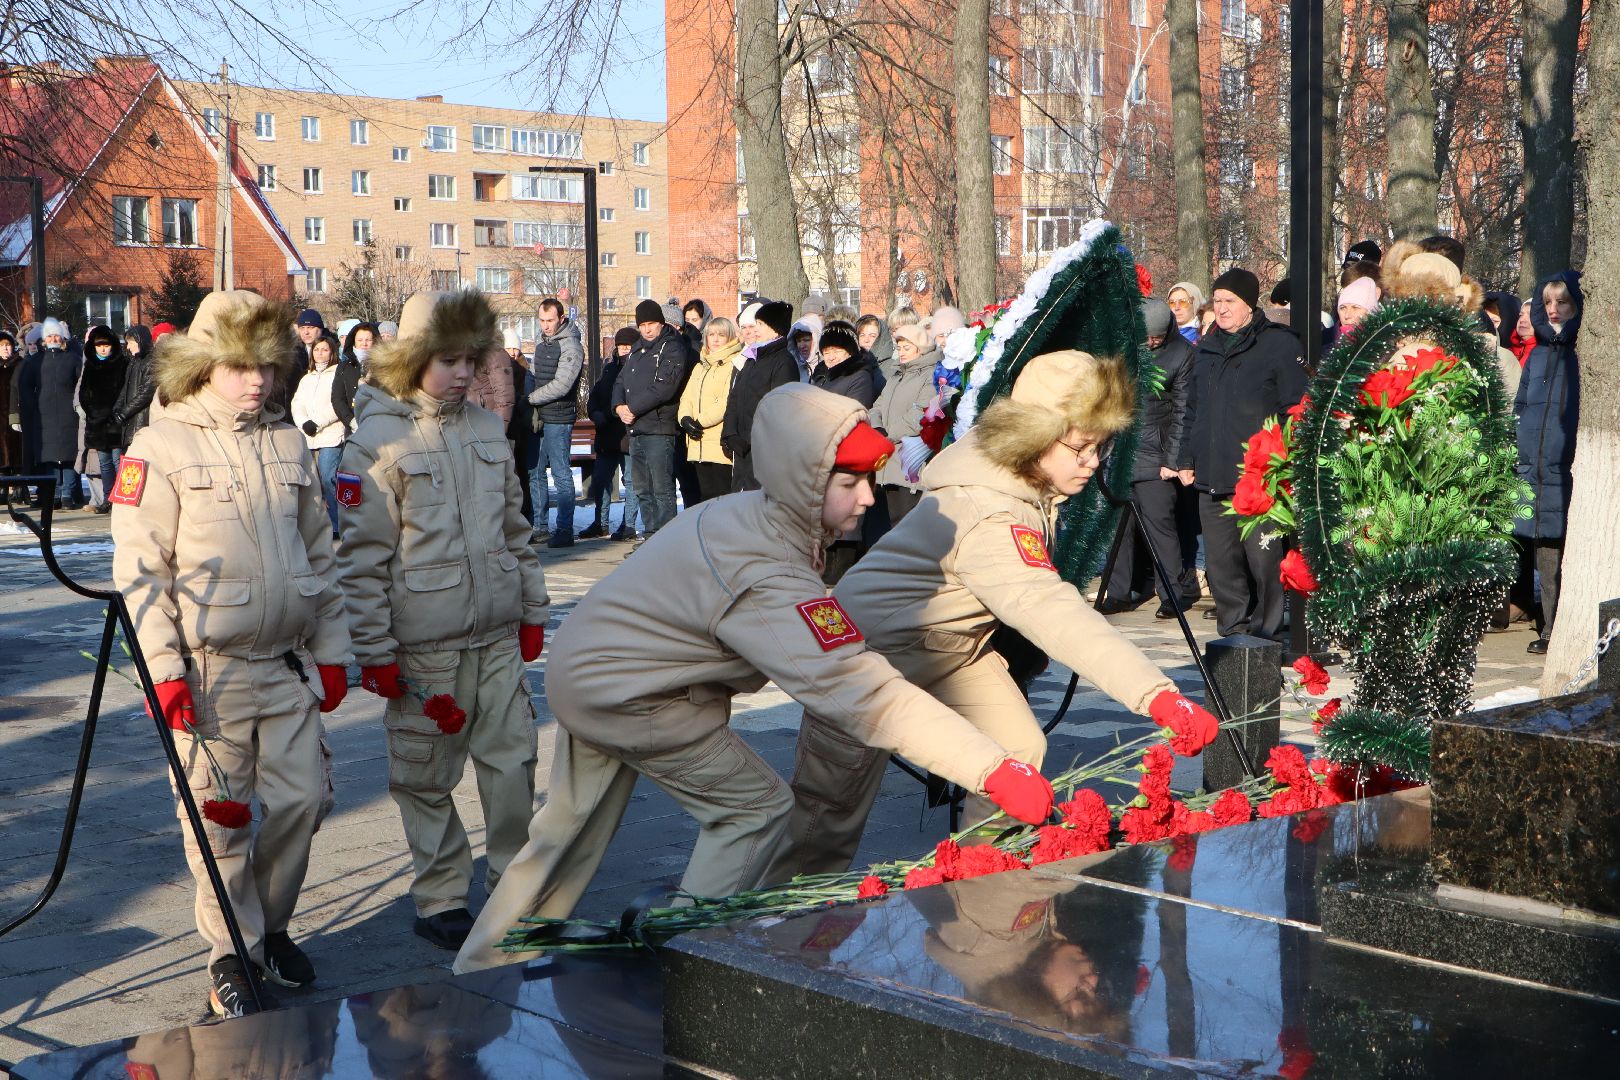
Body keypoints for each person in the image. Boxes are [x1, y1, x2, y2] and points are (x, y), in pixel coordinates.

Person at [453, 384, 1056, 974]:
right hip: (634, 695)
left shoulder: (755, 514)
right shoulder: (765, 568)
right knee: (756, 809)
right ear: (804, 480)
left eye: (869, 479)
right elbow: (859, 687)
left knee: (567, 828)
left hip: (591, 673)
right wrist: (991, 768)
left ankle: (487, 963)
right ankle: (695, 967)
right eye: (849, 483)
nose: (869, 498)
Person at [771, 351, 1219, 878]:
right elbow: (1051, 611)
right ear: (1033, 437)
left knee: (1017, 749)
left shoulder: (1019, 483)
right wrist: (1158, 695)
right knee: (829, 813)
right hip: (865, 659)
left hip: (953, 645)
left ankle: (982, 881)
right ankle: (763, 925)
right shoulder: (990, 514)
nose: (1093, 462)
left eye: (1101, 447)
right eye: (1080, 447)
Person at [111, 290, 352, 1016]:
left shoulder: (288, 442)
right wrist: (163, 673)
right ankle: (231, 953)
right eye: (240, 366)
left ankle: (269, 928)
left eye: (268, 367)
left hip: (285, 666)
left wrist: (333, 649)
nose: (258, 381)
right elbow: (139, 572)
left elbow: (321, 552)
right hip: (209, 676)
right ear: (204, 365)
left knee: (303, 804)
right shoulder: (160, 446)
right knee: (221, 822)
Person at [338, 290, 550, 950]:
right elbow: (363, 559)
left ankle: (513, 887)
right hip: (424, 647)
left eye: (469, 360)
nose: (461, 374)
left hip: (493, 638)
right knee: (426, 777)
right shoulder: (378, 441)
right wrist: (373, 651)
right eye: (446, 360)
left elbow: (517, 532)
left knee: (514, 766)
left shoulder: (489, 430)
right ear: (411, 359)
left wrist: (532, 607)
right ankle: (440, 896)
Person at [1182, 268, 1308, 641]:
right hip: (1212, 473)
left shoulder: (1278, 344)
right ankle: (1233, 636)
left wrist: (1286, 461)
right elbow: (1192, 407)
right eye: (1217, 301)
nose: (1221, 309)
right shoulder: (1207, 344)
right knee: (1222, 564)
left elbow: (1295, 408)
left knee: (1264, 560)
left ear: (1249, 304)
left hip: (1259, 477)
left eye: (1229, 302)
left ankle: (1266, 633)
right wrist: (1186, 459)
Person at [1103, 300, 1199, 619]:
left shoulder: (1182, 354)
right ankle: (1117, 592)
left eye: (1157, 337)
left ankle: (1172, 592)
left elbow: (1184, 413)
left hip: (1157, 455)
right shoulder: (1123, 348)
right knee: (1118, 529)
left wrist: (1172, 460)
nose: (1151, 342)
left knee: (1161, 527)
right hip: (1120, 450)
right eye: (1147, 336)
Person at [1515, 272, 1582, 655]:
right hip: (1535, 468)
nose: (1554, 310)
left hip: (1567, 466)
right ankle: (1549, 629)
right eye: (1548, 303)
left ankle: (1565, 627)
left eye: (1563, 303)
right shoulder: (1537, 354)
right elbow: (1521, 406)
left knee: (1566, 549)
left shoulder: (1581, 353)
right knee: (1545, 551)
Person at [614, 298, 693, 536]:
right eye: (643, 325)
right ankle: (650, 535)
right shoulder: (637, 348)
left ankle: (666, 541)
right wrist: (618, 406)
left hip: (659, 428)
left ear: (660, 323)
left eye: (652, 323)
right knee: (642, 489)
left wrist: (632, 408)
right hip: (636, 429)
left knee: (661, 488)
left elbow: (664, 388)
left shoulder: (672, 347)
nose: (647, 329)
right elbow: (621, 380)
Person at [723, 300, 798, 491]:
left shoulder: (784, 362)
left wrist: (753, 441)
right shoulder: (751, 358)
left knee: (759, 509)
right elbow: (735, 397)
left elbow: (780, 411)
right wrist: (730, 434)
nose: (755, 330)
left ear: (776, 329)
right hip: (741, 451)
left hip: (763, 452)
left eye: (761, 325)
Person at [527, 298, 585, 547]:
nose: (545, 326)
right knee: (535, 471)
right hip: (539, 413)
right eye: (542, 320)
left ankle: (564, 529)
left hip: (559, 417)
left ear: (561, 318)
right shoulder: (541, 342)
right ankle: (539, 527)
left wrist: (530, 398)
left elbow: (563, 385)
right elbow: (534, 374)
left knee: (561, 473)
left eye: (550, 320)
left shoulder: (571, 346)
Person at [868, 322, 935, 524]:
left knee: (902, 529)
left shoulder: (931, 375)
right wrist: (877, 428)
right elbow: (876, 406)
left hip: (908, 469)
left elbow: (920, 415)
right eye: (899, 348)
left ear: (920, 349)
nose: (901, 353)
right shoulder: (896, 375)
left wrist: (886, 435)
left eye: (907, 348)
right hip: (883, 466)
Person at [584, 327, 640, 540]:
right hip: (607, 434)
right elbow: (595, 396)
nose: (624, 349)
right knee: (600, 479)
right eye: (620, 346)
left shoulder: (638, 367)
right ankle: (601, 522)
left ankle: (629, 524)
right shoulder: (609, 369)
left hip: (627, 433)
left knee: (631, 482)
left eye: (628, 346)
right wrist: (595, 413)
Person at [290, 333, 347, 535]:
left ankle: (338, 524)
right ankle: (318, 526)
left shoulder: (338, 374)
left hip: (331, 435)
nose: (320, 353)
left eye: (324, 349)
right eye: (316, 349)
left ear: (331, 352)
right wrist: (304, 422)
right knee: (312, 483)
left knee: (328, 477)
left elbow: (339, 403)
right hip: (309, 437)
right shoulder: (307, 378)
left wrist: (318, 422)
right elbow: (297, 404)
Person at [678, 315, 739, 502]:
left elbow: (725, 401)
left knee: (722, 499)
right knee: (703, 499)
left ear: (729, 337)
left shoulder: (734, 364)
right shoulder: (700, 366)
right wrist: (685, 419)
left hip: (719, 446)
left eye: (721, 335)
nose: (715, 339)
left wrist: (699, 422)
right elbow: (686, 397)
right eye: (711, 334)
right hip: (697, 445)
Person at [78, 325, 128, 513]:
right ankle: (109, 499)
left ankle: (121, 498)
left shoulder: (121, 363)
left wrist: (118, 412)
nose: (103, 349)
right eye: (99, 345)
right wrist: (91, 410)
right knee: (105, 463)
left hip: (115, 421)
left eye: (106, 345)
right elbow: (83, 391)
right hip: (97, 422)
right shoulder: (90, 364)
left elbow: (124, 390)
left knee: (118, 461)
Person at [36, 317, 85, 509]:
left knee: (69, 455)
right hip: (45, 414)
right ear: (44, 339)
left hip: (68, 413)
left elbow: (81, 384)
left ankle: (67, 494)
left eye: (56, 334)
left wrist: (79, 406)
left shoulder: (72, 359)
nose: (53, 338)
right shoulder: (36, 361)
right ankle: (54, 493)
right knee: (50, 456)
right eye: (49, 335)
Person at [112, 324, 156, 455]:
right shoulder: (133, 362)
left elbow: (146, 393)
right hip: (130, 423)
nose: (128, 346)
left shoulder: (150, 362)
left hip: (142, 422)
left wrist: (124, 413)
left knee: (139, 463)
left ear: (140, 341)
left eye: (131, 343)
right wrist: (117, 408)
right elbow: (126, 388)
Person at [0, 331, 20, 474]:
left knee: (17, 452)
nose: (5, 348)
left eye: (8, 345)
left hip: (16, 414)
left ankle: (18, 487)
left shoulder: (20, 364)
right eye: (1, 345)